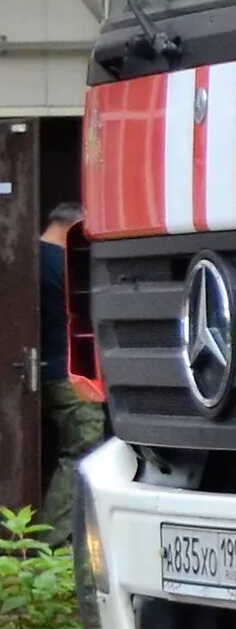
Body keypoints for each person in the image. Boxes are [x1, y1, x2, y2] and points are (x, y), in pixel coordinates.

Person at [37, 202, 102, 544]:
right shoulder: (62, 264)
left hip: (39, 372)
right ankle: (50, 542)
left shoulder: (27, 258)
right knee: (84, 446)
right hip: (68, 374)